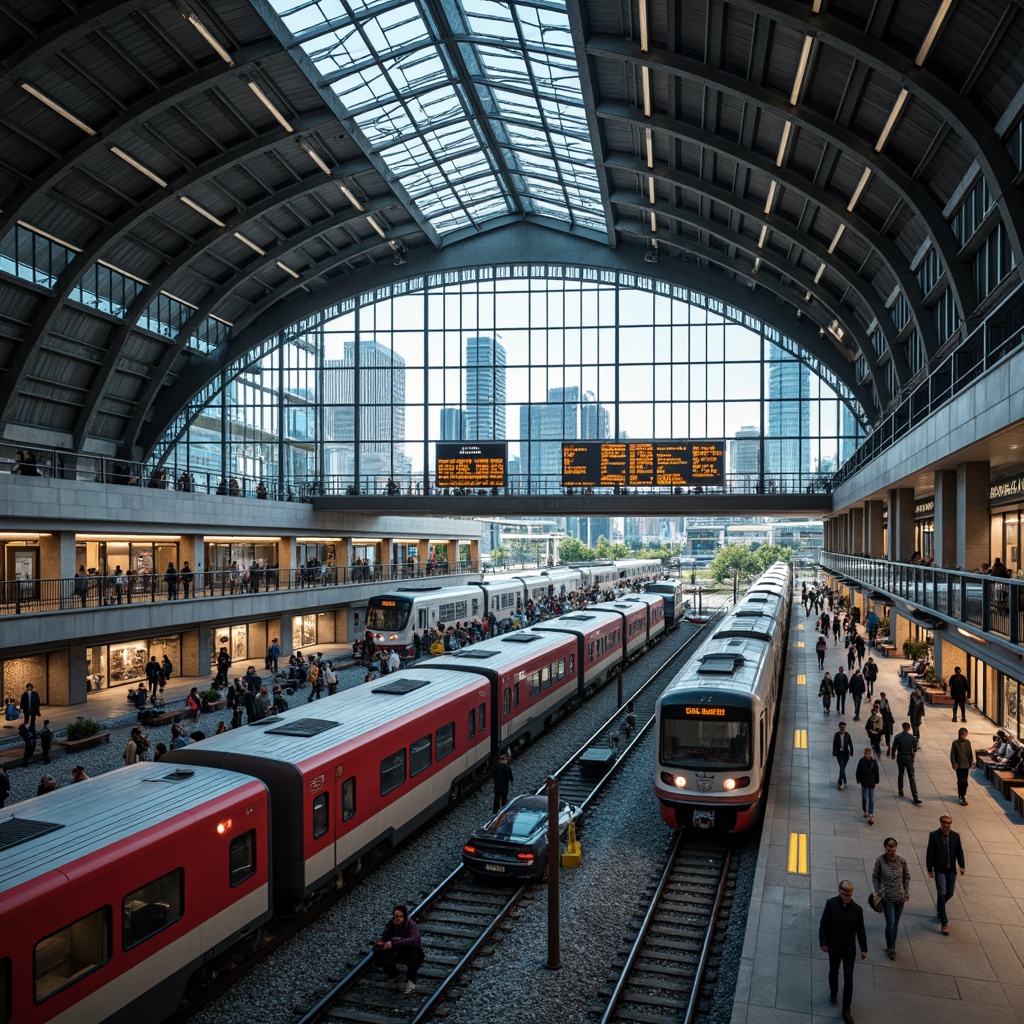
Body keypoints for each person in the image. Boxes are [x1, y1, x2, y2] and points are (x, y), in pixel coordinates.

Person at [818, 880, 867, 1024]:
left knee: (848, 978)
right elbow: (823, 925)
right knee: (833, 972)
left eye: (850, 893)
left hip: (848, 950)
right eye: (845, 892)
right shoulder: (831, 904)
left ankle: (846, 1010)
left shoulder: (857, 910)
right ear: (840, 891)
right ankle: (833, 992)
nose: (848, 895)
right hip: (834, 947)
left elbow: (860, 930)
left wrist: (864, 948)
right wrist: (823, 942)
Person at [872, 836, 910, 959]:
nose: (891, 849)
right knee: (891, 923)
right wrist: (878, 891)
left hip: (900, 897)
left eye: (893, 846)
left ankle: (893, 943)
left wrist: (906, 891)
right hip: (887, 897)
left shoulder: (901, 861)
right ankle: (891, 946)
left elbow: (906, 877)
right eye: (889, 846)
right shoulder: (880, 861)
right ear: (885, 847)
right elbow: (875, 877)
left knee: (896, 923)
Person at [926, 814, 965, 934]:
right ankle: (944, 922)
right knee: (941, 893)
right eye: (943, 822)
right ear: (940, 823)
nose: (945, 825)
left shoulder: (955, 836)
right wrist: (930, 869)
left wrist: (962, 865)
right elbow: (930, 853)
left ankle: (940, 907)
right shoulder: (934, 835)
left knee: (950, 892)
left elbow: (959, 851)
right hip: (940, 869)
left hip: (951, 869)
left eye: (948, 823)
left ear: (951, 824)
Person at [372, 905, 424, 997]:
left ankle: (412, 981)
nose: (396, 918)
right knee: (386, 961)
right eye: (395, 916)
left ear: (404, 917)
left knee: (412, 963)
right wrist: (390, 927)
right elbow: (385, 938)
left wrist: (394, 942)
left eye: (399, 916)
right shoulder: (392, 923)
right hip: (399, 948)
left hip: (412, 949)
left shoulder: (411, 924)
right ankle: (394, 975)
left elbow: (412, 940)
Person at [890, 721, 922, 803]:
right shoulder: (912, 738)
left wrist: (893, 755)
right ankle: (915, 795)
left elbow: (894, 747)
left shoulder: (898, 737)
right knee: (911, 776)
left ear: (903, 727)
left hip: (900, 757)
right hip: (909, 758)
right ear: (909, 728)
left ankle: (900, 790)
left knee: (900, 774)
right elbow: (914, 749)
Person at [950, 727, 974, 805]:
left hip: (966, 765)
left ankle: (963, 794)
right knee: (960, 780)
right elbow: (952, 754)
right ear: (960, 735)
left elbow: (969, 753)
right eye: (963, 735)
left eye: (965, 735)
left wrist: (971, 762)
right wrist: (954, 763)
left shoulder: (967, 743)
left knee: (965, 781)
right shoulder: (955, 743)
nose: (964, 736)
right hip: (959, 765)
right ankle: (961, 795)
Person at [855, 747, 878, 824]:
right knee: (864, 798)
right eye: (867, 754)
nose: (869, 755)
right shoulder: (861, 761)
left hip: (871, 783)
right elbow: (858, 771)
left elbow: (876, 772)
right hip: (864, 783)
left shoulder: (874, 762)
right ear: (864, 754)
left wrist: (876, 781)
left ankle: (870, 814)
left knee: (871, 799)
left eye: (869, 754)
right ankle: (865, 811)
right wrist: (859, 780)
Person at [832, 721, 854, 790]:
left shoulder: (847, 735)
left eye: (844, 728)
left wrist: (851, 752)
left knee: (842, 768)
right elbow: (834, 743)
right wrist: (834, 751)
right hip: (839, 753)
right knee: (842, 768)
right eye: (842, 728)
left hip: (846, 753)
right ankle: (841, 782)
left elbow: (850, 744)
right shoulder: (836, 735)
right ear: (839, 727)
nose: (843, 729)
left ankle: (841, 779)